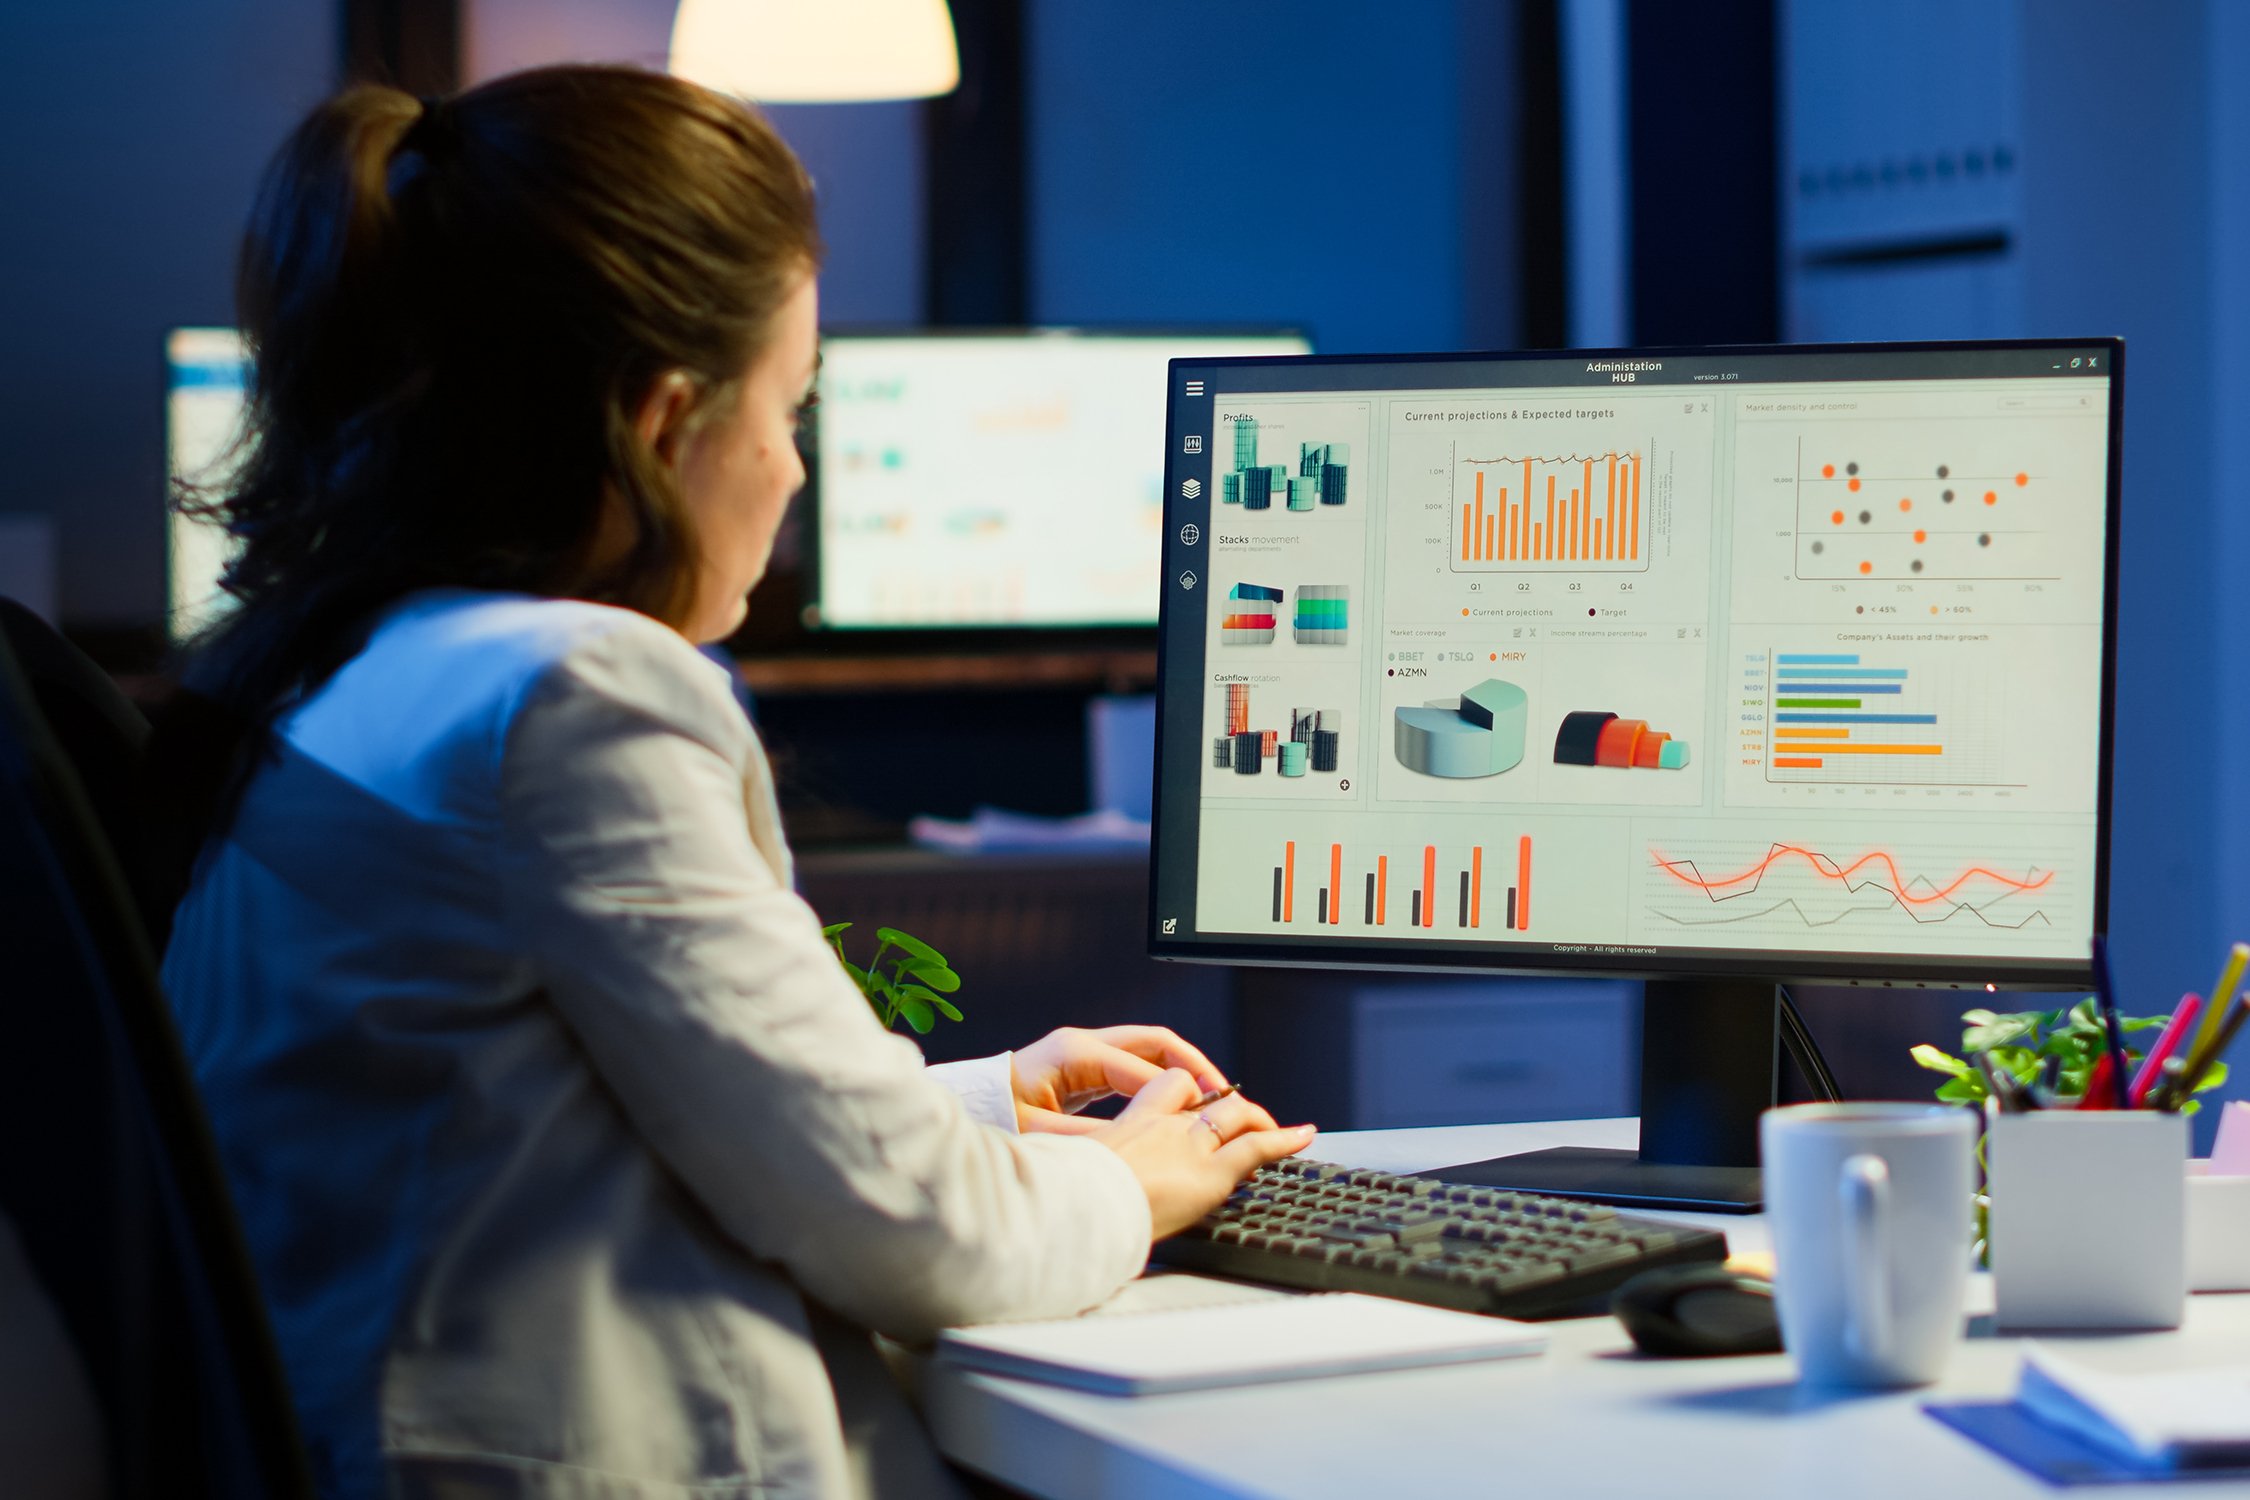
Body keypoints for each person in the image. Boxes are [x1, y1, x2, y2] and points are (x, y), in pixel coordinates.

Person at [159, 65, 1314, 1500]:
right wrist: (1129, 1183)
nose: (793, 471)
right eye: (793, 408)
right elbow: (914, 1240)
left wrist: (992, 1105)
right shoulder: (577, 693)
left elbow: (580, 1116)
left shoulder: (343, 665)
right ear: (662, 423)